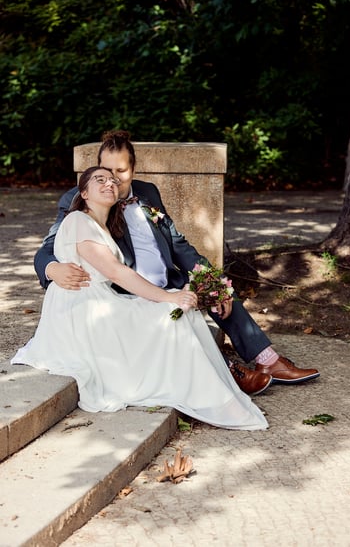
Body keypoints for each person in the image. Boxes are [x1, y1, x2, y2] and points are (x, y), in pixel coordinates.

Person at [34, 130, 320, 395]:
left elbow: (178, 244)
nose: (114, 180)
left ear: (133, 169)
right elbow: (50, 246)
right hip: (131, 292)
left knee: (216, 290)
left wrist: (213, 280)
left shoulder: (148, 193)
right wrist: (52, 268)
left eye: (121, 171)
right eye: (107, 171)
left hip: (168, 281)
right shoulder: (83, 198)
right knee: (180, 313)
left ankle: (267, 359)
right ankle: (228, 374)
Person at [11, 166, 268, 431]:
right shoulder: (78, 220)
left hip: (99, 300)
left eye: (113, 180)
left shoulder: (105, 226)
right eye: (100, 180)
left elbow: (175, 251)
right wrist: (169, 297)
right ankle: (214, 398)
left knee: (181, 312)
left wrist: (178, 295)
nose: (109, 183)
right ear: (84, 192)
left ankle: (216, 392)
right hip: (79, 307)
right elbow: (116, 271)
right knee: (170, 314)